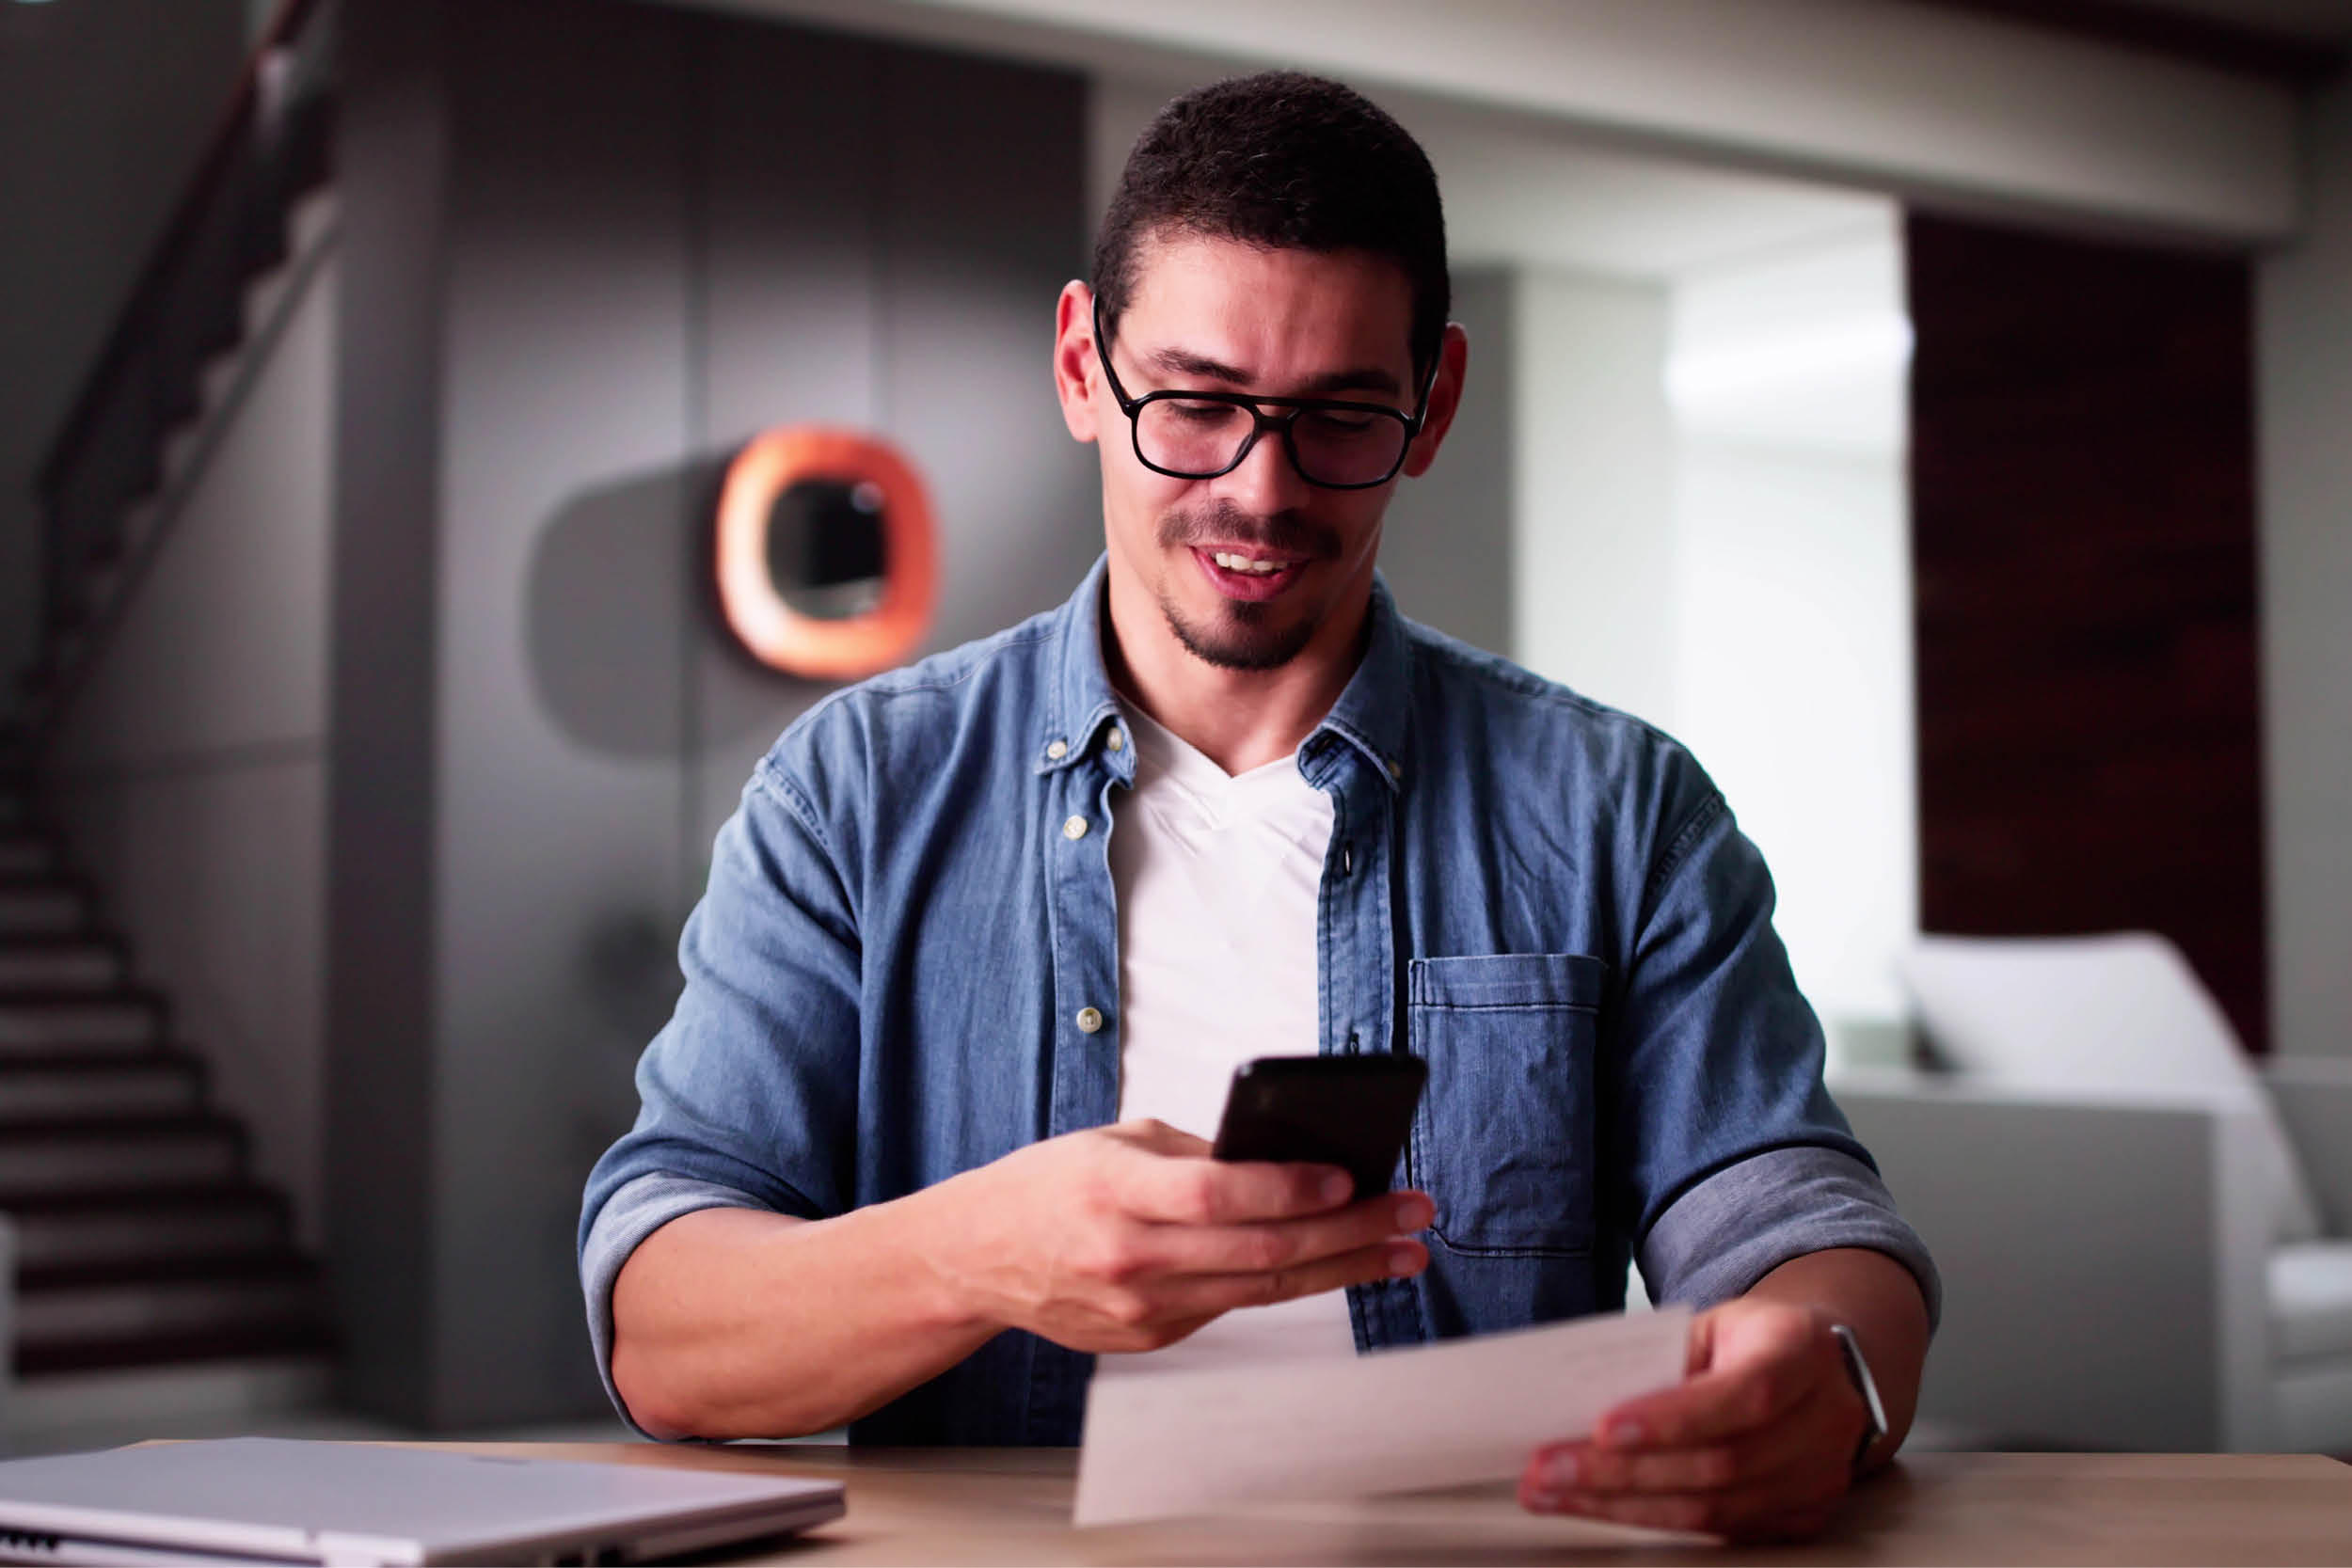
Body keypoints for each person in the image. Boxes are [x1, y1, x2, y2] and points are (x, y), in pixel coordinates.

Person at [580, 71, 1937, 1543]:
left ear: (1436, 404)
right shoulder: (855, 793)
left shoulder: (1619, 808)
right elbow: (664, 1325)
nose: (1264, 488)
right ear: (1082, 369)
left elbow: (1794, 1215)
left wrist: (1831, 1373)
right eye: (1199, 403)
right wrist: (981, 1254)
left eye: (1342, 417)